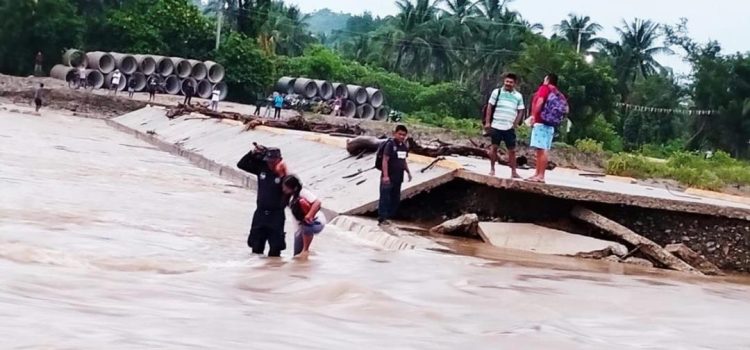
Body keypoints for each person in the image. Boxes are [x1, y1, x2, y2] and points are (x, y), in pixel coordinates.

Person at [236, 145, 289, 257]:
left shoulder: (285, 175)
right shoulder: (262, 168)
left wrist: (283, 174)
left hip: (276, 215)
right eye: (268, 161)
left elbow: (294, 189)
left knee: (275, 249)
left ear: (280, 160)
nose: (270, 164)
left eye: (273, 161)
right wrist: (253, 153)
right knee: (256, 246)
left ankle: (273, 272)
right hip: (260, 213)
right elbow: (241, 164)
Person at [484, 73, 525, 178]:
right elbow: (489, 106)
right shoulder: (496, 92)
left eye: (510, 82)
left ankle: (514, 172)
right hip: (496, 124)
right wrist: (488, 122)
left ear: (514, 83)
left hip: (509, 127)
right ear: (504, 81)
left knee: (512, 150)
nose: (508, 84)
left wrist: (515, 124)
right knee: (494, 147)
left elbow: (521, 110)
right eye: (507, 81)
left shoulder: (518, 96)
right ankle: (492, 169)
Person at [527, 73, 564, 184]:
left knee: (541, 150)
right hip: (550, 124)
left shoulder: (545, 88)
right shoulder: (557, 92)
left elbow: (540, 101)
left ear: (547, 79)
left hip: (541, 122)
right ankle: (537, 174)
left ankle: (540, 175)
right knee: (542, 149)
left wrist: (533, 115)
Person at [282, 175, 326, 257]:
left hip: (317, 221)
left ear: (294, 187)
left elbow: (317, 203)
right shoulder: (289, 197)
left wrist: (309, 215)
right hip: (300, 227)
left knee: (306, 225)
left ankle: (306, 250)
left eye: (286, 187)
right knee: (296, 255)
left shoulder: (302, 192)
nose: (284, 189)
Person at [378, 125, 412, 225]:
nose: (402, 136)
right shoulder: (390, 145)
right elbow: (385, 160)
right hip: (389, 177)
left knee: (395, 198)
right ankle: (382, 218)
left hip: (398, 177)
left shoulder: (404, 147)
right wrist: (385, 176)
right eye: (400, 134)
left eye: (404, 135)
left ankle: (389, 217)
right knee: (385, 198)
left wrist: (408, 172)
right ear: (395, 133)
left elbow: (403, 160)